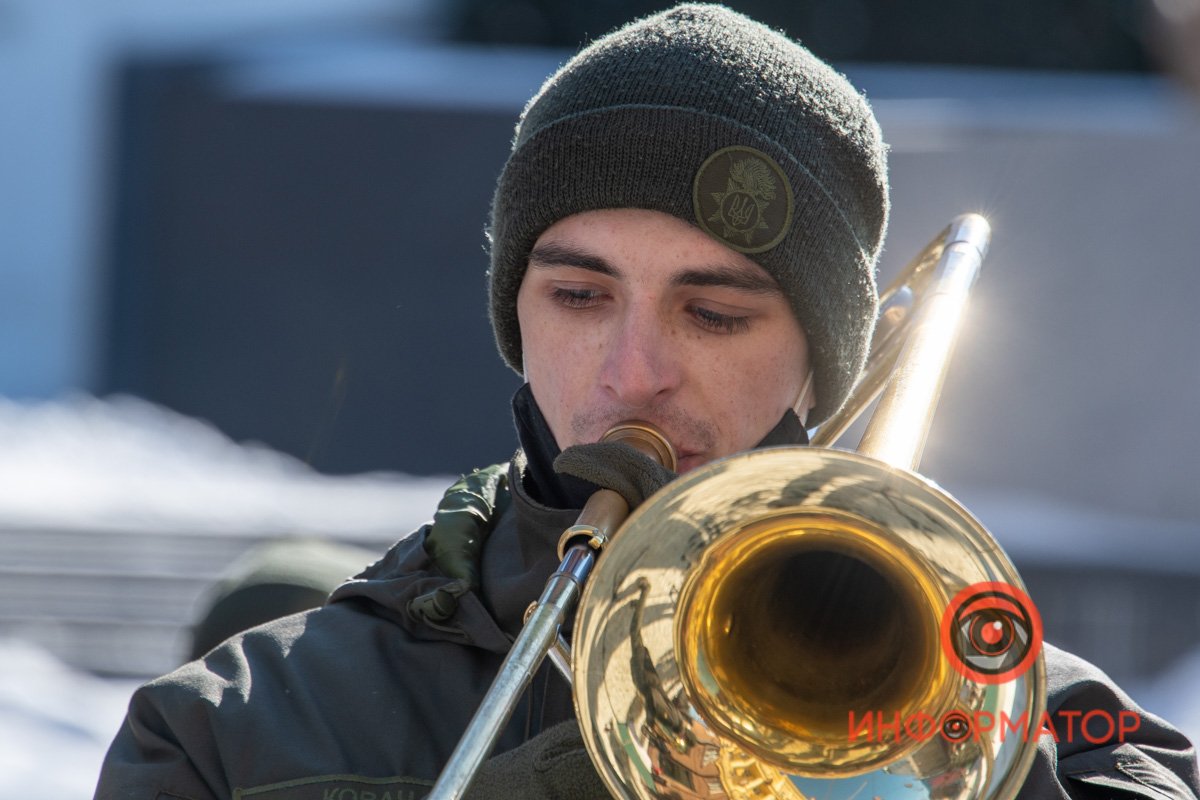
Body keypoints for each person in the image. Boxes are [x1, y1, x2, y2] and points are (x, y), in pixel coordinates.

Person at [95, 5, 1199, 799]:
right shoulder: (232, 729)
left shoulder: (1070, 735)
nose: (631, 373)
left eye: (713, 314)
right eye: (578, 294)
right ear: (514, 314)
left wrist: (962, 753)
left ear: (824, 359)